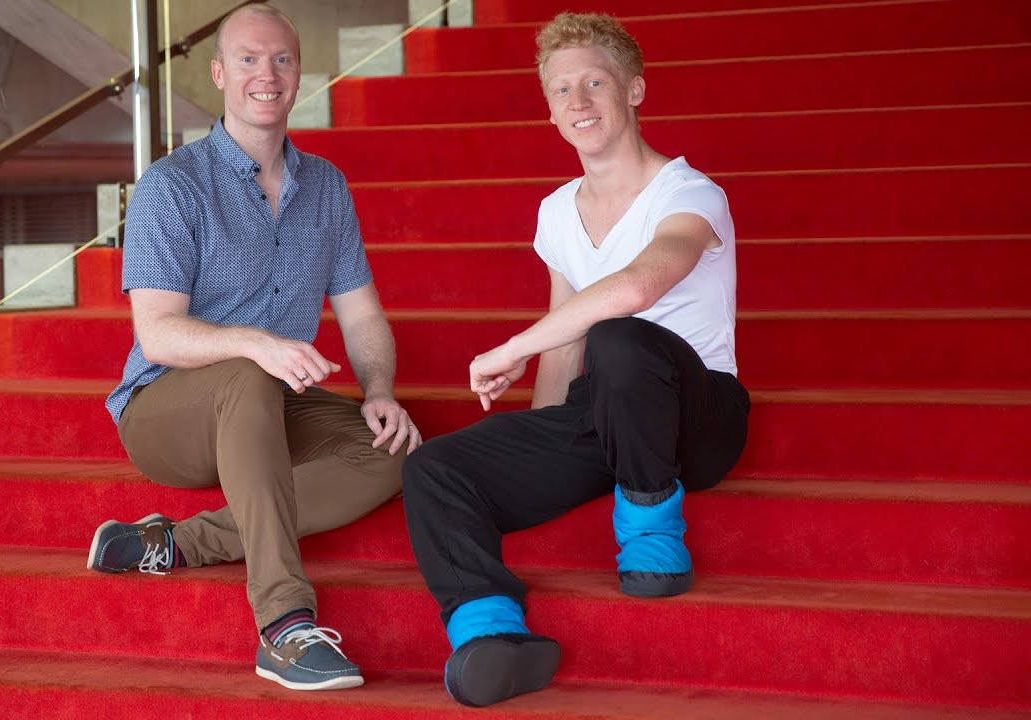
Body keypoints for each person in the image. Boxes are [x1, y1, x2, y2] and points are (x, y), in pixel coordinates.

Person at [400, 11, 751, 708]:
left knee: (620, 337)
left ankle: (652, 535)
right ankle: (490, 630)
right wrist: (538, 443)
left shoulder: (689, 193)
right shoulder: (557, 211)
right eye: (562, 90)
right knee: (433, 467)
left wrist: (511, 346)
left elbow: (637, 289)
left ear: (634, 92)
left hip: (699, 412)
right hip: (610, 412)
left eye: (595, 82)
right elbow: (565, 340)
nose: (579, 102)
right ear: (549, 107)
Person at [86, 4, 421, 692]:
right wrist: (258, 344)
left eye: (282, 60)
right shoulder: (171, 187)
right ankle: (284, 626)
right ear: (218, 74)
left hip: (272, 397)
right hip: (164, 411)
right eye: (248, 60)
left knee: (397, 451)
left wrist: (380, 390)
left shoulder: (326, 186)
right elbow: (158, 333)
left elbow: (362, 318)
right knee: (244, 371)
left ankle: (176, 543)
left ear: (297, 74)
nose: (266, 75)